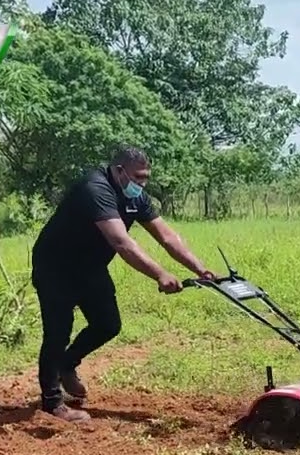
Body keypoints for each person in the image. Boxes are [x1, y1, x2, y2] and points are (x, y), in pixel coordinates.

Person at [30, 146, 216, 422]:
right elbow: (121, 242)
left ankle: (66, 365)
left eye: (146, 178)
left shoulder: (137, 197)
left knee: (108, 324)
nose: (142, 184)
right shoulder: (95, 189)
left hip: (90, 266)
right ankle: (52, 402)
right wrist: (160, 274)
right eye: (138, 177)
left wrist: (201, 269)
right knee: (58, 331)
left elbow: (167, 237)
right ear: (119, 171)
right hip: (56, 267)